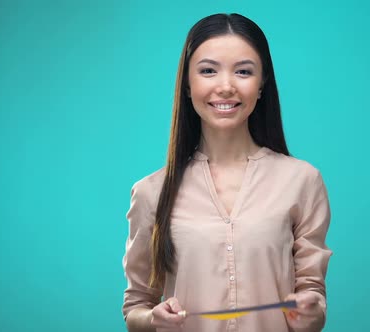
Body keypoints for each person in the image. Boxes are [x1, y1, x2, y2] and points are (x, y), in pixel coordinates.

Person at [122, 13, 332, 332]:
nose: (226, 86)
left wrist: (311, 313)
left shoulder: (303, 181)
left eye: (243, 71)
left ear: (261, 85)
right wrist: (153, 319)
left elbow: (313, 299)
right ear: (188, 85)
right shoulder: (152, 191)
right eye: (208, 70)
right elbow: (136, 306)